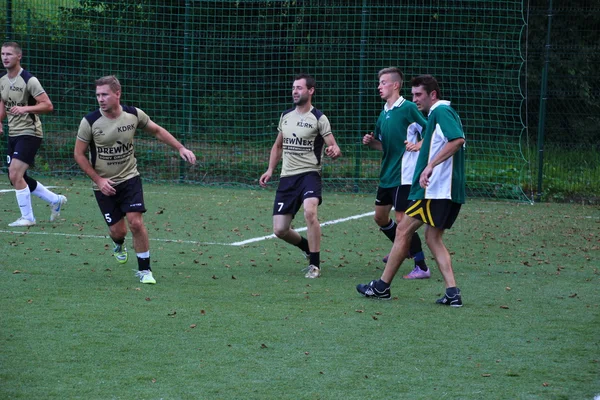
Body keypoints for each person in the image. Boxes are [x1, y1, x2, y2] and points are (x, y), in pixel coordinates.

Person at [74, 75, 196, 284]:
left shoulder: (133, 115)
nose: (100, 99)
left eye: (104, 94)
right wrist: (99, 180)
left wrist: (180, 148)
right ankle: (119, 244)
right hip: (104, 185)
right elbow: (78, 154)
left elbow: (157, 131)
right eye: (97, 95)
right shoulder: (90, 121)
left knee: (136, 223)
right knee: (117, 231)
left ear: (117, 94)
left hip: (130, 178)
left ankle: (145, 270)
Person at [356, 75, 466, 306]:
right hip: (444, 192)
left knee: (403, 230)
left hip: (434, 191)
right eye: (413, 94)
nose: (414, 99)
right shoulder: (440, 113)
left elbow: (457, 140)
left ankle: (382, 287)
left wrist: (429, 166)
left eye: (419, 95)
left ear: (432, 95)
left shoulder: (440, 112)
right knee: (432, 237)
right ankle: (453, 292)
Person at [259, 73, 342, 278]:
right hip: (287, 177)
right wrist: (270, 170)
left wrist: (334, 151)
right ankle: (306, 246)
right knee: (280, 230)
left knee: (310, 212)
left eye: (299, 88)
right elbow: (278, 146)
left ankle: (315, 265)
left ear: (310, 91)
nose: (295, 91)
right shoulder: (286, 116)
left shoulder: (319, 118)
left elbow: (334, 146)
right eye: (293, 88)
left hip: (309, 175)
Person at [362, 67, 430, 279]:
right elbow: (383, 145)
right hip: (387, 175)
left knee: (402, 220)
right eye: (379, 82)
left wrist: (418, 145)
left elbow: (430, 132)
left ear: (395, 85)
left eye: (383, 82)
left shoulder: (408, 108)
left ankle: (421, 266)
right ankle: (402, 249)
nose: (379, 86)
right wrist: (372, 142)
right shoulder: (384, 113)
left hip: (405, 175)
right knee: (380, 217)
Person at [0, 41, 67, 227]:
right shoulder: (2, 81)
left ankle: (28, 218)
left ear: (18, 56)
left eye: (9, 54)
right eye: (3, 54)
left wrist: (26, 109)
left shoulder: (30, 80)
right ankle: (55, 199)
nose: (5, 57)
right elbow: (2, 101)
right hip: (13, 133)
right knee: (16, 177)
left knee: (15, 174)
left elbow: (47, 105)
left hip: (30, 133)